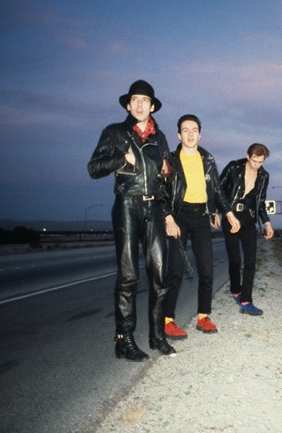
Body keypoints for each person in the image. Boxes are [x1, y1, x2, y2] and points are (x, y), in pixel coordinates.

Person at [88, 79, 176, 361]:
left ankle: (157, 335)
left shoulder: (160, 137)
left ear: (152, 106)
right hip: (127, 206)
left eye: (145, 100)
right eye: (135, 100)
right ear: (128, 104)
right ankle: (124, 340)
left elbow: (164, 177)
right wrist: (121, 159)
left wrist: (167, 173)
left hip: (154, 210)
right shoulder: (114, 132)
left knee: (161, 277)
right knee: (128, 277)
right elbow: (94, 168)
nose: (140, 104)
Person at [163, 114, 240, 339]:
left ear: (200, 134)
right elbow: (162, 193)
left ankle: (203, 316)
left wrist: (225, 212)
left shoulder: (208, 159)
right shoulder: (170, 159)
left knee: (207, 270)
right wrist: (168, 218)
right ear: (179, 135)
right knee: (175, 270)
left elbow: (216, 189)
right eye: (185, 130)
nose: (189, 134)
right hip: (178, 217)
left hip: (201, 218)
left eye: (194, 130)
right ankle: (167, 320)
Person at [219, 143, 275, 316]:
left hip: (248, 220)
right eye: (254, 161)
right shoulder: (233, 167)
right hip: (231, 217)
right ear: (247, 156)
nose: (257, 165)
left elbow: (260, 201)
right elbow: (218, 190)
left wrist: (267, 223)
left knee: (250, 261)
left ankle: (246, 300)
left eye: (260, 162)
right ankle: (235, 289)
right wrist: (220, 212)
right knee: (235, 260)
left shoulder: (264, 176)